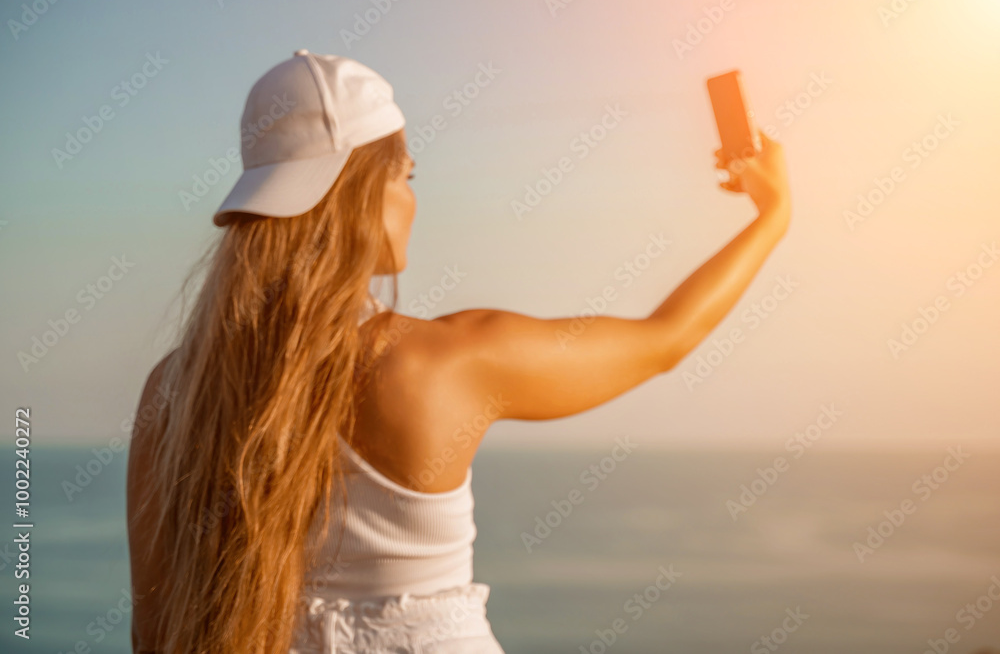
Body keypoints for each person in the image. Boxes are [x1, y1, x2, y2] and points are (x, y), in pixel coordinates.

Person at [125, 50, 791, 654]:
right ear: (365, 192)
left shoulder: (171, 394)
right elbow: (665, 339)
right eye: (407, 174)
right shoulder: (438, 363)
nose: (412, 199)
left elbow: (154, 635)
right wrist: (773, 216)